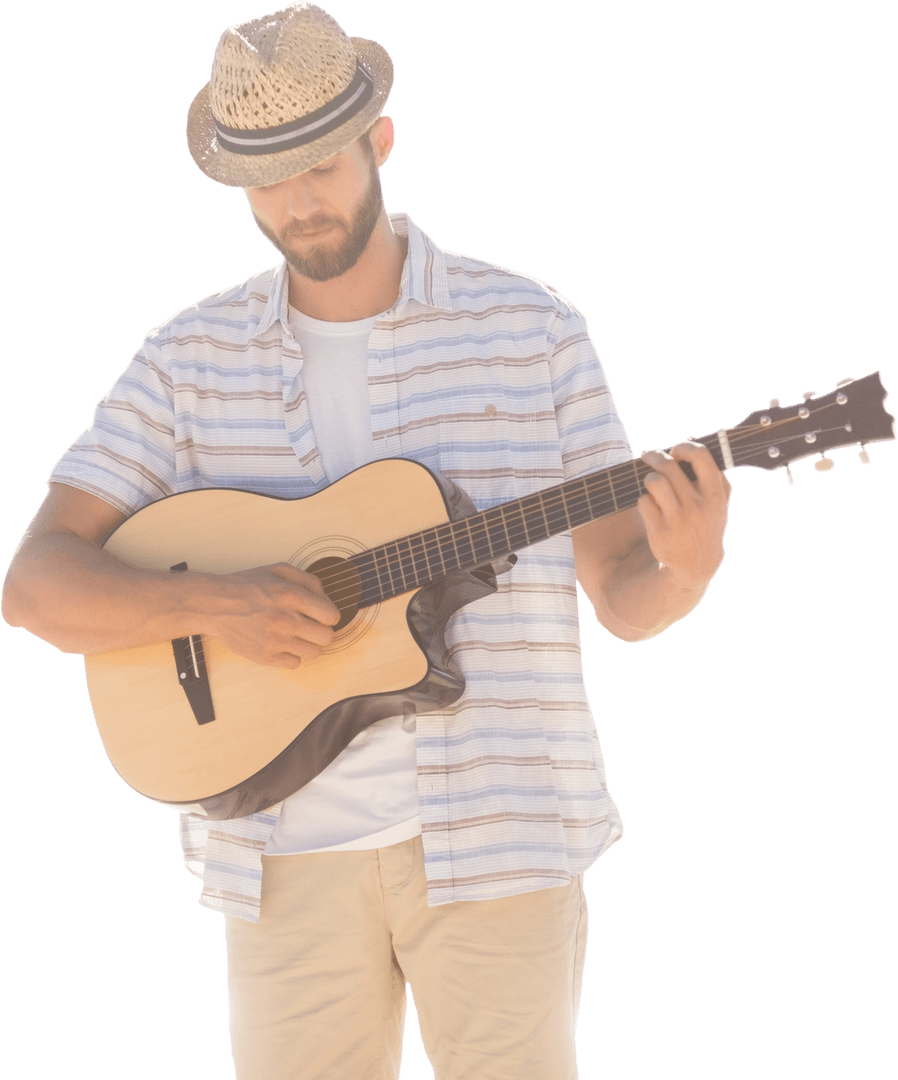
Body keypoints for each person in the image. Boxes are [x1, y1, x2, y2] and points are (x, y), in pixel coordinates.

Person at [0, 4, 731, 1078]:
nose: (299, 202)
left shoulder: (533, 330)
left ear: (379, 139)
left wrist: (690, 566)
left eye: (322, 163)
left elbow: (622, 592)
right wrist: (221, 604)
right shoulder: (184, 359)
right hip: (279, 862)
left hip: (504, 837)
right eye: (268, 175)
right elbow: (36, 587)